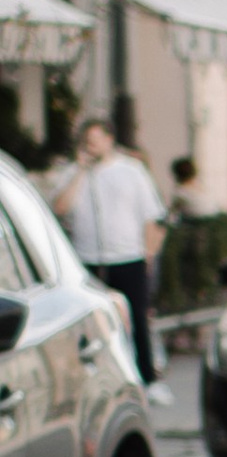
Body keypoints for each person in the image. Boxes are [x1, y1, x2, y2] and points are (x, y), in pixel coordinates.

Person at [50, 116, 165, 383]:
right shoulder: (75, 173)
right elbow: (60, 208)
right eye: (86, 142)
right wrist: (80, 171)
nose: (90, 147)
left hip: (128, 256)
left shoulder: (132, 171)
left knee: (135, 317)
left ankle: (145, 376)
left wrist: (148, 253)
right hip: (88, 258)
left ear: (109, 140)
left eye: (94, 141)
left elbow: (151, 215)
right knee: (95, 322)